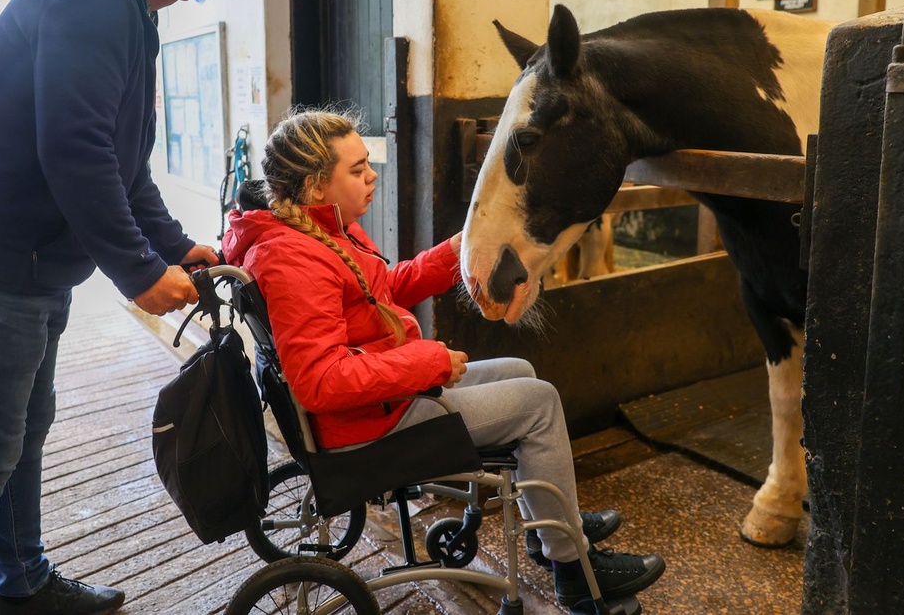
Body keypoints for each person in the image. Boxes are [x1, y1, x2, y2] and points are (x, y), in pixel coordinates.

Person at [221, 109, 667, 610]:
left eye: (369, 164)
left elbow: (382, 291)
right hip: (368, 427)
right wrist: (427, 363)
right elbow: (319, 380)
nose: (372, 176)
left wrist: (459, 251)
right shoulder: (293, 257)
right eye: (357, 170)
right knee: (539, 402)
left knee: (521, 373)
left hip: (380, 403)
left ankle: (552, 523)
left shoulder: (322, 229)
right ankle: (573, 569)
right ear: (315, 185)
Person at [0, 0, 221, 615]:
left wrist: (174, 244)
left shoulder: (130, 9)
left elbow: (122, 163)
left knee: (22, 435)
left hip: (33, 267)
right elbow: (74, 148)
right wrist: (139, 272)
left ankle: (25, 583)